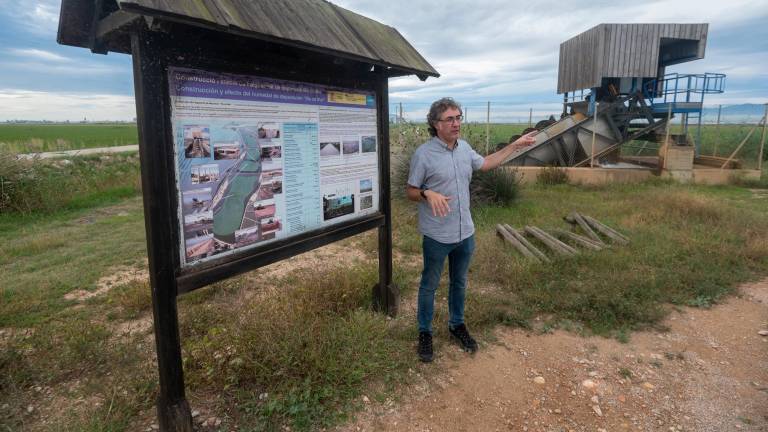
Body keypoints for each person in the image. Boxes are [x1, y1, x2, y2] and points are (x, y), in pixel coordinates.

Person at [406, 97, 537, 362]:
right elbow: (410, 191)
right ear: (435, 124)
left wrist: (514, 145)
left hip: (465, 232)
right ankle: (425, 332)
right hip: (437, 235)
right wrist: (426, 193)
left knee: (460, 282)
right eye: (450, 119)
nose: (456, 124)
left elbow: (486, 164)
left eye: (458, 117)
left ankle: (457, 325)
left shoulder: (464, 148)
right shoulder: (424, 154)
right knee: (429, 285)